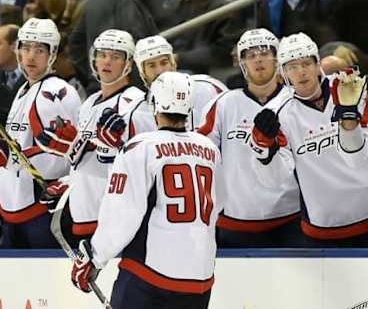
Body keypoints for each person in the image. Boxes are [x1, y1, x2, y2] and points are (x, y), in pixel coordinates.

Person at [71, 71, 223, 309]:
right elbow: (218, 205)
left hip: (150, 276)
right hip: (199, 278)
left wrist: (95, 257)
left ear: (154, 104)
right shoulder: (209, 149)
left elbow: (122, 214)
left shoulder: (140, 147)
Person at [35, 29, 156, 241]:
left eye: (116, 56)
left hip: (114, 221)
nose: (107, 61)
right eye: (102, 55)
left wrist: (106, 152)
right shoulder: (89, 103)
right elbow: (82, 160)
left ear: (128, 63)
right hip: (83, 216)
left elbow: (143, 169)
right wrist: (68, 182)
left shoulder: (139, 105)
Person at [0, 18, 81, 248]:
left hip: (41, 212)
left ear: (52, 54)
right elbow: (22, 143)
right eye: (26, 48)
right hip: (15, 208)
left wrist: (8, 158)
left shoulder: (57, 92)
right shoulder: (24, 89)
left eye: (39, 50)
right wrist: (0, 146)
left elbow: (62, 157)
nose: (30, 56)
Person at [250, 32, 368, 247]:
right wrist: (265, 152)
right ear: (283, 73)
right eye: (292, 67)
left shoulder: (351, 88)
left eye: (306, 64)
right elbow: (274, 181)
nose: (301, 72)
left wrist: (350, 118)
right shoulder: (276, 114)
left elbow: (358, 161)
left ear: (317, 65)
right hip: (323, 227)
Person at [197, 28, 302, 248]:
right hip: (236, 222)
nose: (258, 60)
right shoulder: (223, 104)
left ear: (277, 58)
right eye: (251, 55)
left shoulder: (296, 100)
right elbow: (199, 153)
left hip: (291, 219)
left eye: (264, 53)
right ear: (241, 62)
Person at [134, 35, 227, 130]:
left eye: (164, 63)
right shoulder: (138, 111)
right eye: (152, 66)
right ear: (143, 73)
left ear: (173, 64)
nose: (160, 71)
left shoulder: (208, 87)